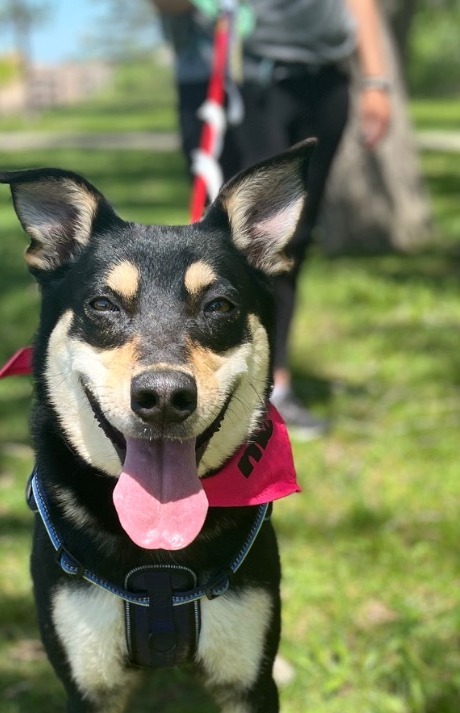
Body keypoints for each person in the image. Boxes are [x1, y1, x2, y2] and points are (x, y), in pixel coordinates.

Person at [152, 0, 392, 438]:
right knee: (227, 245)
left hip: (320, 76)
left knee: (287, 243)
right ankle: (203, 384)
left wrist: (374, 78)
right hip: (229, 75)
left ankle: (272, 387)